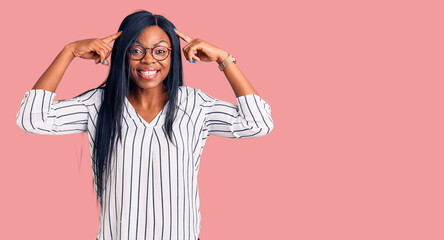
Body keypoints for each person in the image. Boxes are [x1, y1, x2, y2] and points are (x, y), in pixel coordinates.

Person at [16, 10, 273, 240]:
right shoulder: (99, 103)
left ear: (172, 56)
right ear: (123, 54)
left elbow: (258, 123)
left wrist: (224, 59)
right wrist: (68, 52)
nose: (148, 60)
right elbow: (32, 119)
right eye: (136, 50)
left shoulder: (194, 105)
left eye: (160, 51)